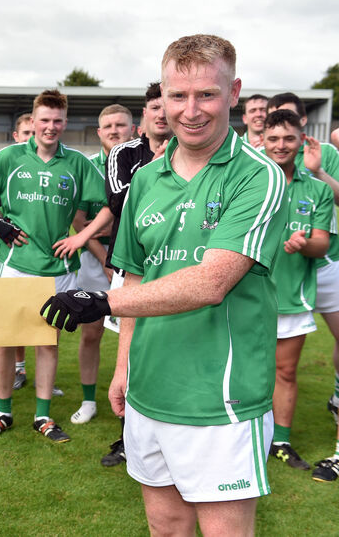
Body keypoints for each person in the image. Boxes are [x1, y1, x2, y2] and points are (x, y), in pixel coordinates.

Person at [42, 35, 287, 535]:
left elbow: (212, 281)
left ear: (234, 92)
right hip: (149, 391)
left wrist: (101, 300)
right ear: (161, 99)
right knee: (166, 527)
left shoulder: (258, 177)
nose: (190, 110)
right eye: (178, 96)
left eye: (206, 95)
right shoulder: (147, 178)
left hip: (222, 400)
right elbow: (135, 274)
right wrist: (123, 367)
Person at [0, 89, 106, 443]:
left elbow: (110, 204)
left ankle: (42, 416)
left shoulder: (78, 163)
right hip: (16, 263)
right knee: (7, 340)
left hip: (58, 268)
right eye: (44, 120)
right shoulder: (9, 157)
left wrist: (81, 238)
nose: (50, 127)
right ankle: (4, 411)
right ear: (34, 121)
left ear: (65, 123)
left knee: (47, 341)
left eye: (57, 121)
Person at [96, 82, 172, 466]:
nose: (162, 113)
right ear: (144, 115)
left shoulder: (192, 152)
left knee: (171, 346)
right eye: (154, 107)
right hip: (134, 265)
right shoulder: (124, 152)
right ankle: (129, 435)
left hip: (179, 265)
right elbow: (118, 200)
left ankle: (168, 430)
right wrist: (159, 168)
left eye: (166, 105)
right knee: (131, 350)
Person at [262, 109, 333, 470]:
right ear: (261, 140)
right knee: (243, 368)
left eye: (288, 138)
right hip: (249, 296)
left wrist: (302, 244)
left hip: (294, 296)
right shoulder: (249, 180)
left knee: (285, 371)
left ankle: (281, 440)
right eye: (273, 138)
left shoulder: (317, 189)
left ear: (301, 141)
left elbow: (322, 244)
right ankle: (241, 437)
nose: (281, 145)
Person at [69, 104, 134, 427]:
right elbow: (81, 221)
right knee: (91, 332)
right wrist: (104, 260)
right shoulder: (89, 167)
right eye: (107, 126)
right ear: (98, 132)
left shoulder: (141, 162)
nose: (114, 130)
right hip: (98, 261)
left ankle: (135, 402)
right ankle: (89, 399)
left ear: (132, 128)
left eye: (120, 125)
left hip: (133, 263)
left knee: (138, 335)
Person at [9, 112, 33, 390]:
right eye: (25, 133)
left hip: (46, 258)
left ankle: (42, 381)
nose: (30, 137)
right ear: (16, 137)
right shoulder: (10, 161)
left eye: (32, 132)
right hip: (11, 253)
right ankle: (18, 368)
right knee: (12, 319)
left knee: (43, 323)